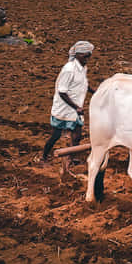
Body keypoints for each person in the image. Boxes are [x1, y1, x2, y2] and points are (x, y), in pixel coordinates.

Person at [42, 40, 96, 176]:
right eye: (85, 56)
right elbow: (62, 91)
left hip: (76, 107)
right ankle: (44, 157)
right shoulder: (69, 69)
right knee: (55, 135)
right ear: (77, 55)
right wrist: (75, 107)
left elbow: (83, 83)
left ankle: (72, 158)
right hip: (64, 108)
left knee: (77, 134)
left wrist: (94, 91)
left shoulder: (83, 68)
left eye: (89, 56)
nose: (88, 59)